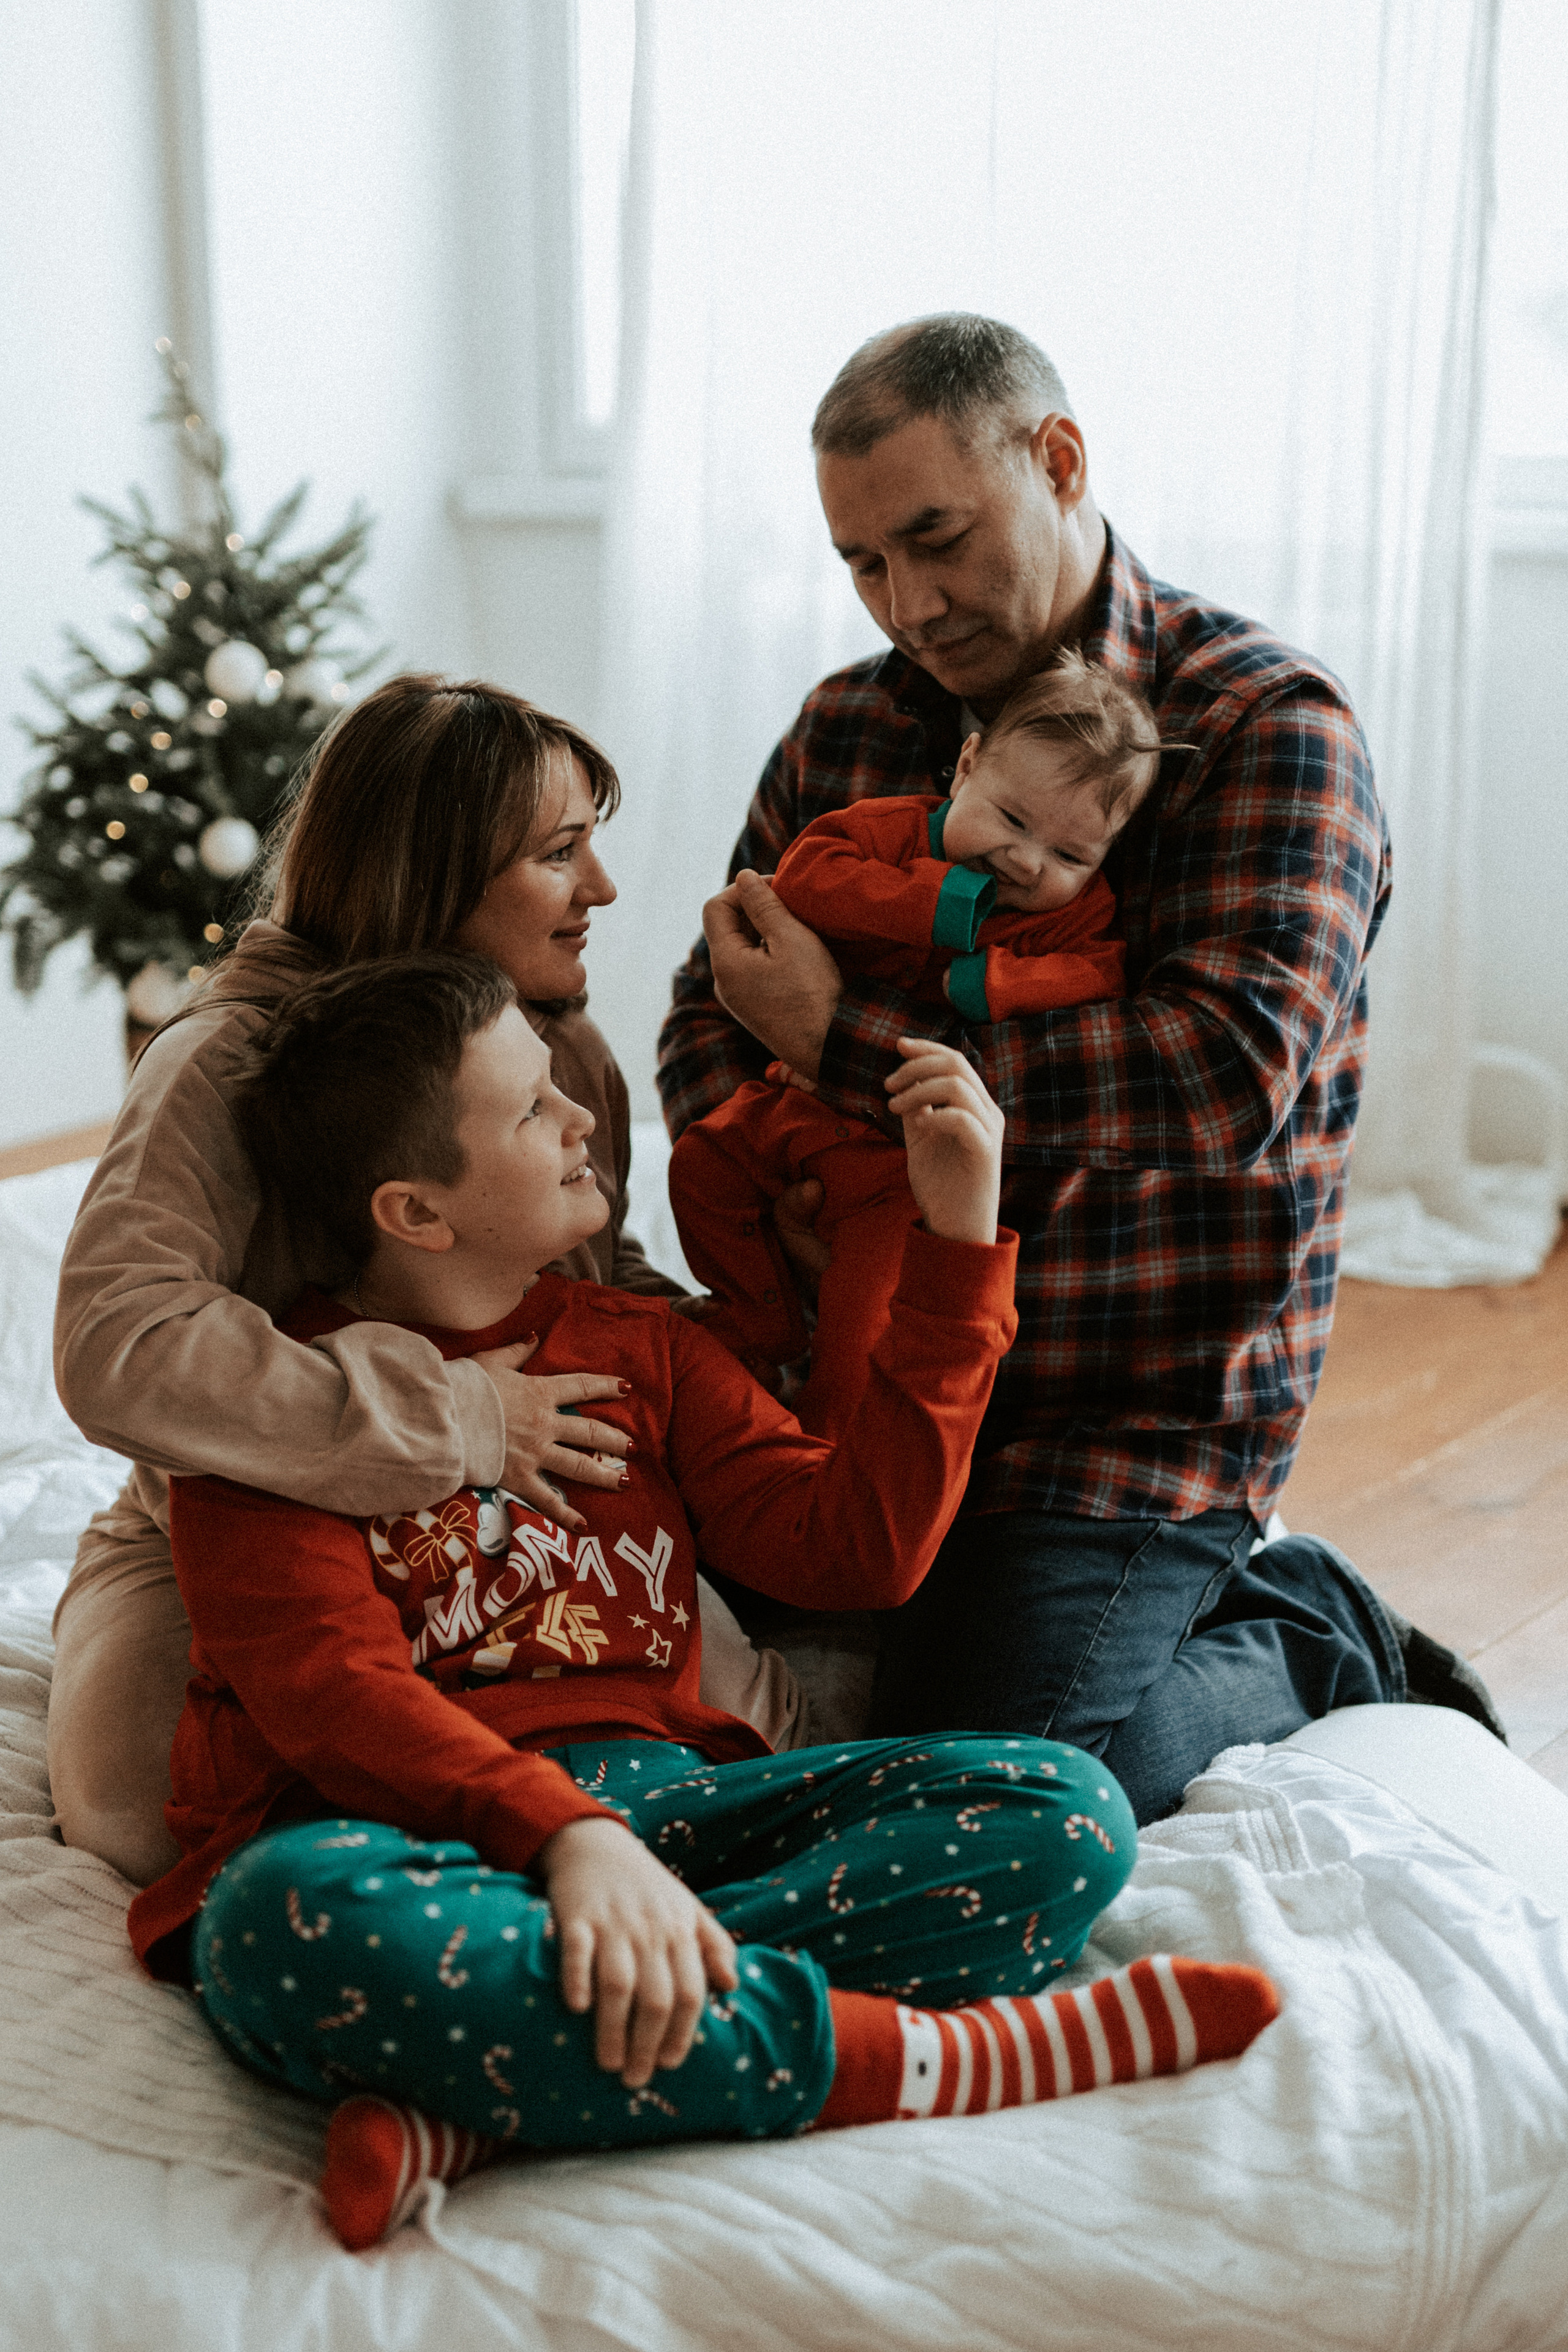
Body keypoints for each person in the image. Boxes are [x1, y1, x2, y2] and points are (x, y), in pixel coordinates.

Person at [127, 949, 1280, 2250]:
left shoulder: (642, 1350)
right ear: (416, 1211)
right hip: (405, 1836)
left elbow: (857, 1550)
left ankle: (497, 2090)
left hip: (677, 1810)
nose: (581, 1114)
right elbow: (339, 1700)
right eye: (530, 1108)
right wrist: (567, 1840)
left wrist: (957, 1249)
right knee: (272, 1924)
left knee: (1062, 1810)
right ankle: (923, 2061)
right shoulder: (276, 1413)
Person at [659, 312, 1505, 1822]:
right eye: (863, 562)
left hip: (1116, 1417)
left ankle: (1313, 1627)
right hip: (863, 1372)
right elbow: (711, 1012)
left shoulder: (1259, 726)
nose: (908, 603)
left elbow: (1216, 1074)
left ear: (1057, 462)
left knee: (994, 1790)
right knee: (612, 1633)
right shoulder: (846, 726)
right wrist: (779, 1171)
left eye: (937, 539)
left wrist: (840, 1048)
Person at [50, 674, 805, 1890]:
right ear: (427, 876)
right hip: (254, 1518)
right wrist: (456, 1416)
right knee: (141, 1824)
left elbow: (596, 1282)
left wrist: (759, 1326)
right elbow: (119, 1347)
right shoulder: (222, 1064)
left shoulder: (564, 1053)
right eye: (559, 854)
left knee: (765, 1735)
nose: (603, 889)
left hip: (527, 1511)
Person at [668, 649, 1156, 1435]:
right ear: (966, 767)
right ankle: (761, 1328)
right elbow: (803, 877)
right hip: (796, 1102)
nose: (1025, 861)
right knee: (699, 1166)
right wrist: (936, 902)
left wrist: (995, 981)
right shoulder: (890, 831)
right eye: (1011, 820)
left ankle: (829, 1453)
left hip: (901, 1169)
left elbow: (1098, 971)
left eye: (1070, 855)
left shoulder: (1071, 912)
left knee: (862, 1332)